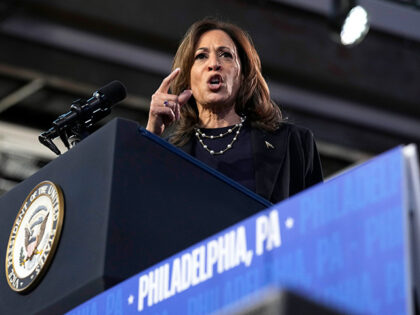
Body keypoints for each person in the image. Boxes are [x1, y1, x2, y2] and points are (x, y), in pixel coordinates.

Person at [146, 18, 323, 204]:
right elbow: (140, 212)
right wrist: (150, 138)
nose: (214, 64)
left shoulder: (293, 143)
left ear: (243, 75)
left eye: (226, 55)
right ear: (188, 79)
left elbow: (321, 221)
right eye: (201, 56)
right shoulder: (167, 153)